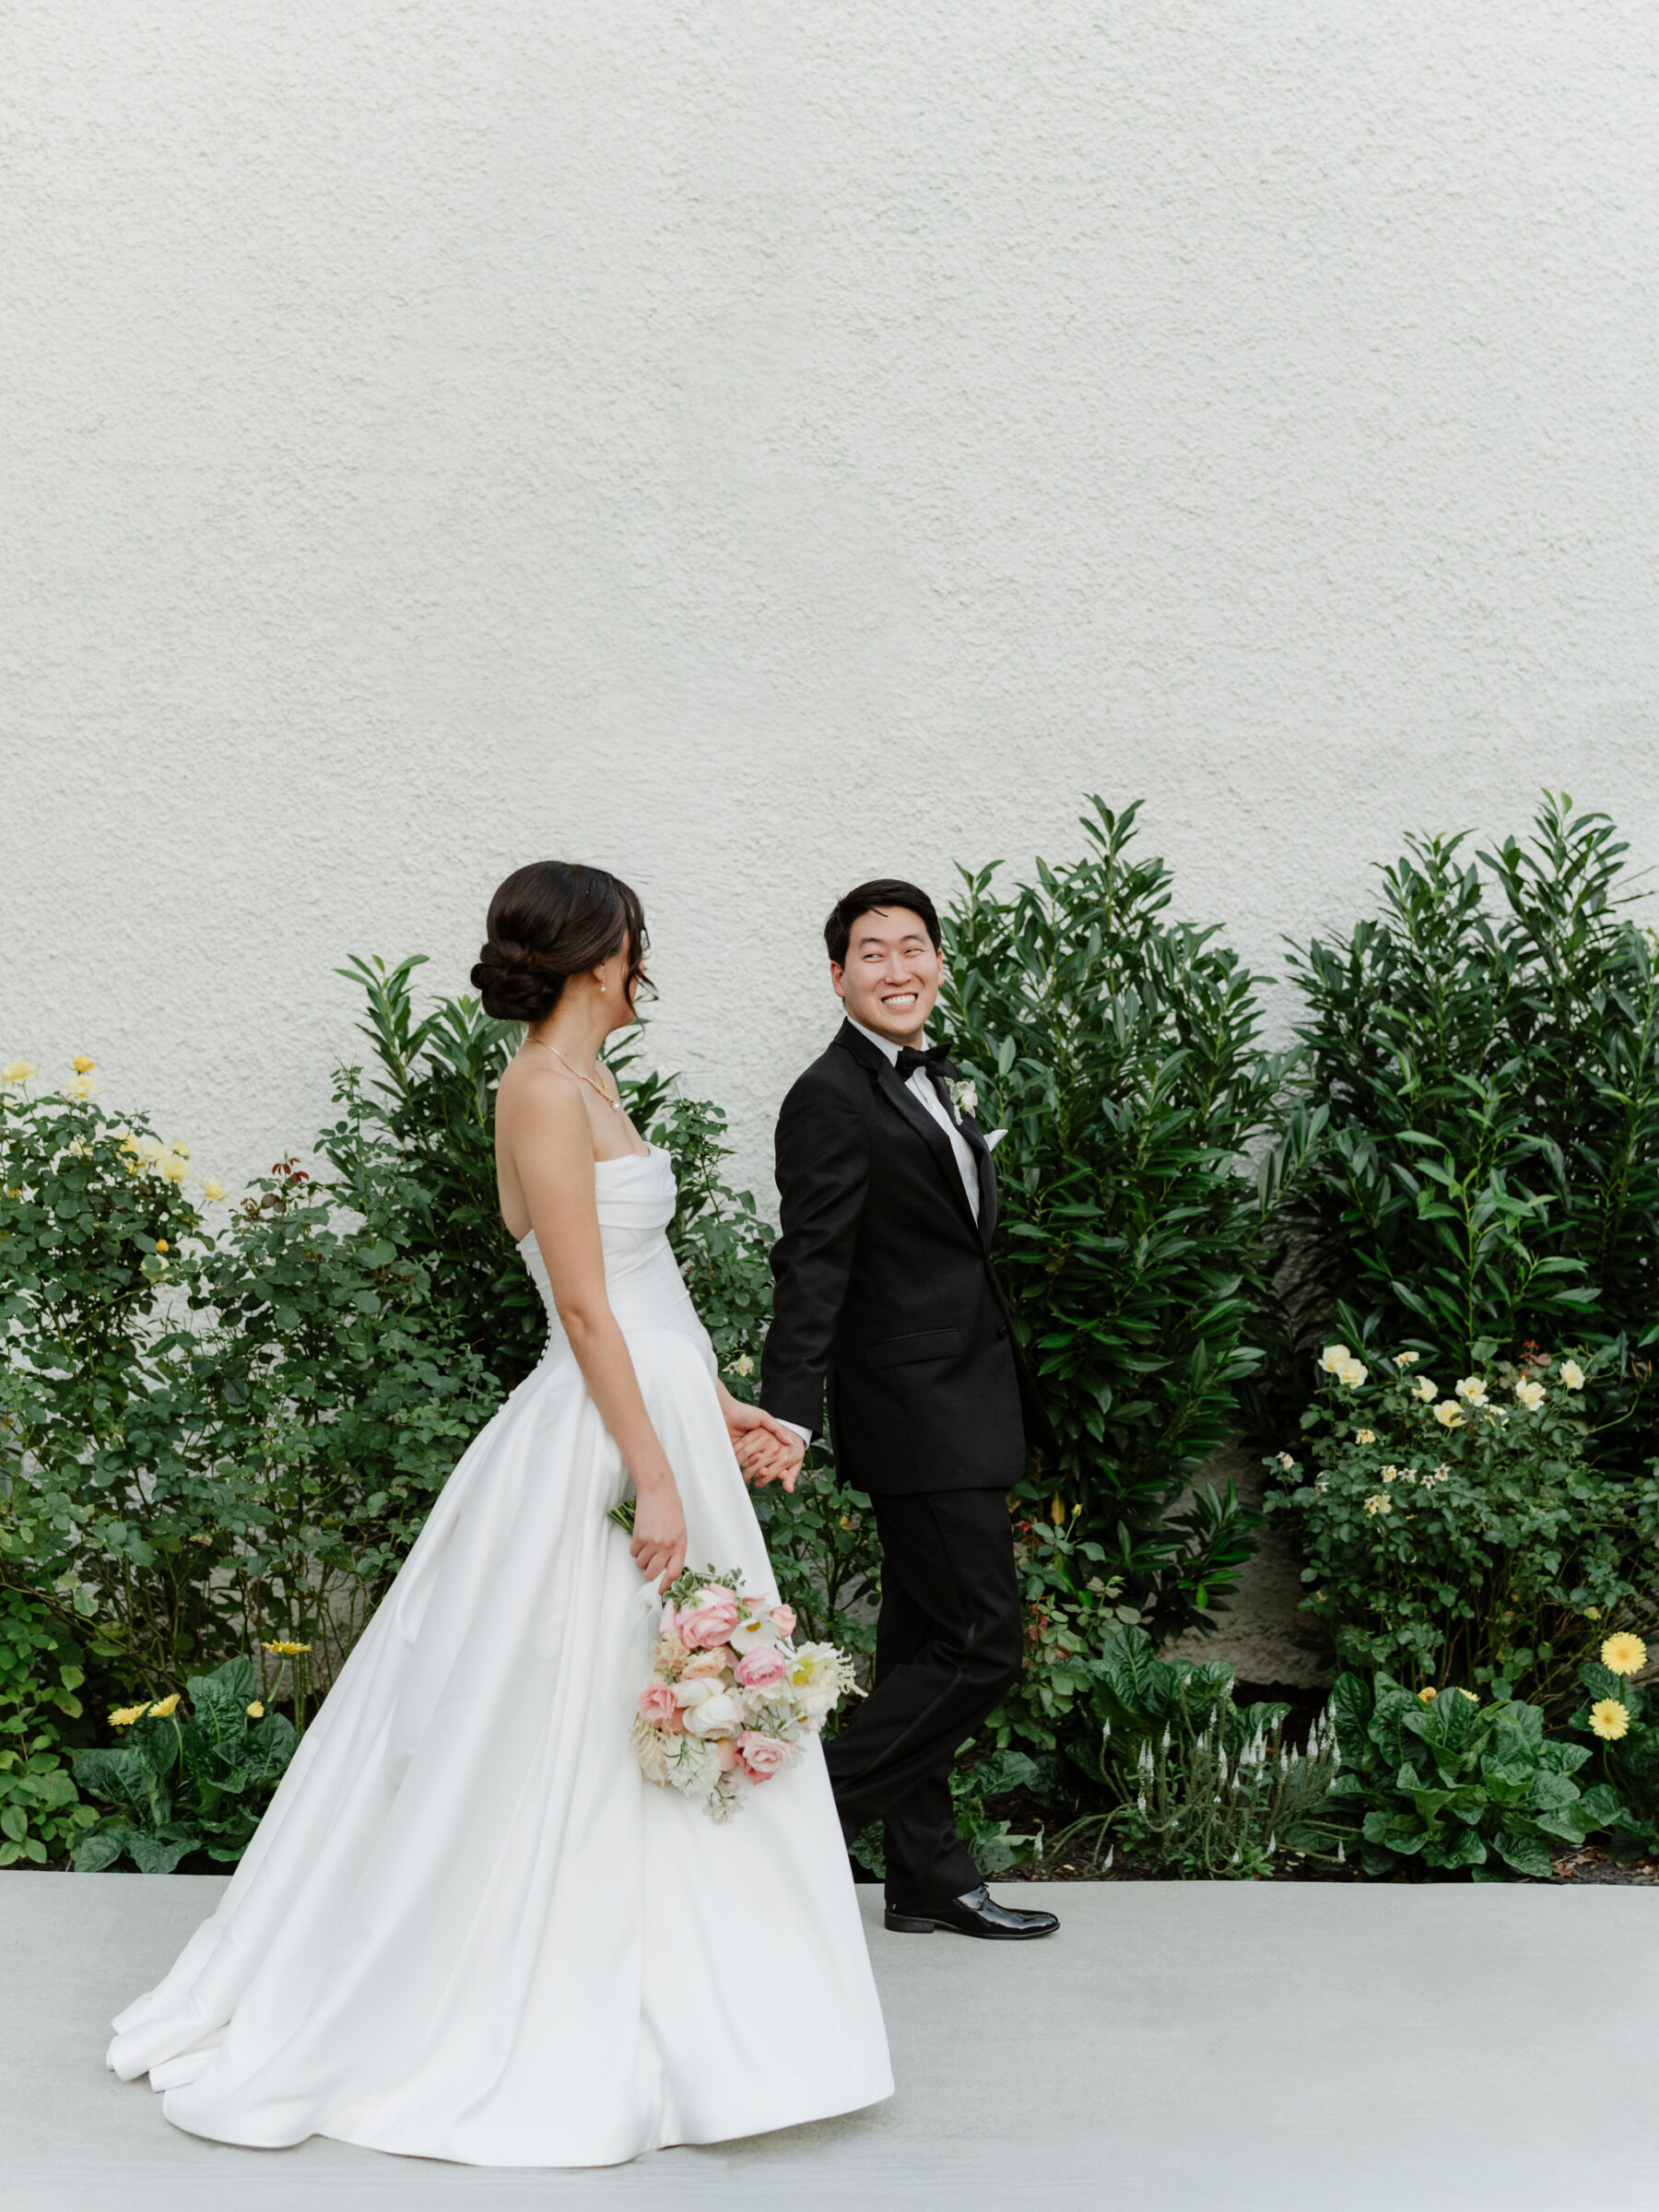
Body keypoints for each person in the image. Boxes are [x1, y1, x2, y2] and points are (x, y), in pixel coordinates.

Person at [106, 862, 892, 2168]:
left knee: (669, 1696)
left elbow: (647, 1291)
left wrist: (722, 1406)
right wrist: (651, 1468)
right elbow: (580, 1309)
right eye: (636, 943)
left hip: (657, 1411)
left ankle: (720, 2016)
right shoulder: (536, 1090)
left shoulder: (594, 1081)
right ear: (599, 957)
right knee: (568, 1710)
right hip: (594, 1440)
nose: (647, 964)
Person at [741, 879, 1059, 1941]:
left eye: (913, 948)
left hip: (967, 1394)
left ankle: (926, 1877)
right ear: (837, 978)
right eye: (871, 953)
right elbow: (813, 1263)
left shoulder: (940, 1080)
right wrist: (791, 1412)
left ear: (938, 963)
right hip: (914, 1408)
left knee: (927, 1638)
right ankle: (792, 1816)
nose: (897, 968)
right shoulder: (829, 1097)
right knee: (984, 1643)